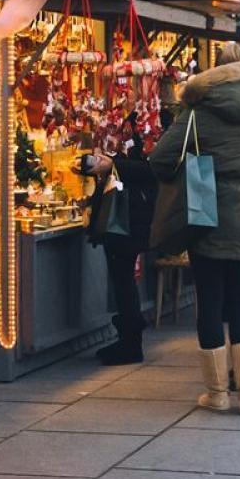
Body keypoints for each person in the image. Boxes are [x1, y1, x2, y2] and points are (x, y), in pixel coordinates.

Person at [150, 42, 240, 413]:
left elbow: (161, 158)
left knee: (210, 302)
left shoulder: (197, 110)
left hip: (206, 210)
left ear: (213, 73)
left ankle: (218, 393)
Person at [90, 128, 159, 364]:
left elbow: (152, 168)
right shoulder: (124, 126)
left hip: (128, 214)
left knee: (123, 277)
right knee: (122, 278)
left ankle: (130, 343)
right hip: (123, 211)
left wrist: (113, 165)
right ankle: (127, 339)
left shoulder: (148, 127)